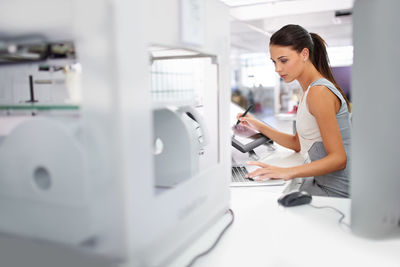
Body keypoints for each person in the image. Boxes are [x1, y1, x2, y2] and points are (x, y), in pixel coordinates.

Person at [237, 24, 351, 198]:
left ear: (304, 54)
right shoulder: (307, 90)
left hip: (337, 190)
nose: (277, 69)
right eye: (274, 62)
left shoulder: (319, 92)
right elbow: (297, 143)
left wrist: (287, 172)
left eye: (283, 61)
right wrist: (257, 124)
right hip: (323, 182)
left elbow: (339, 159)